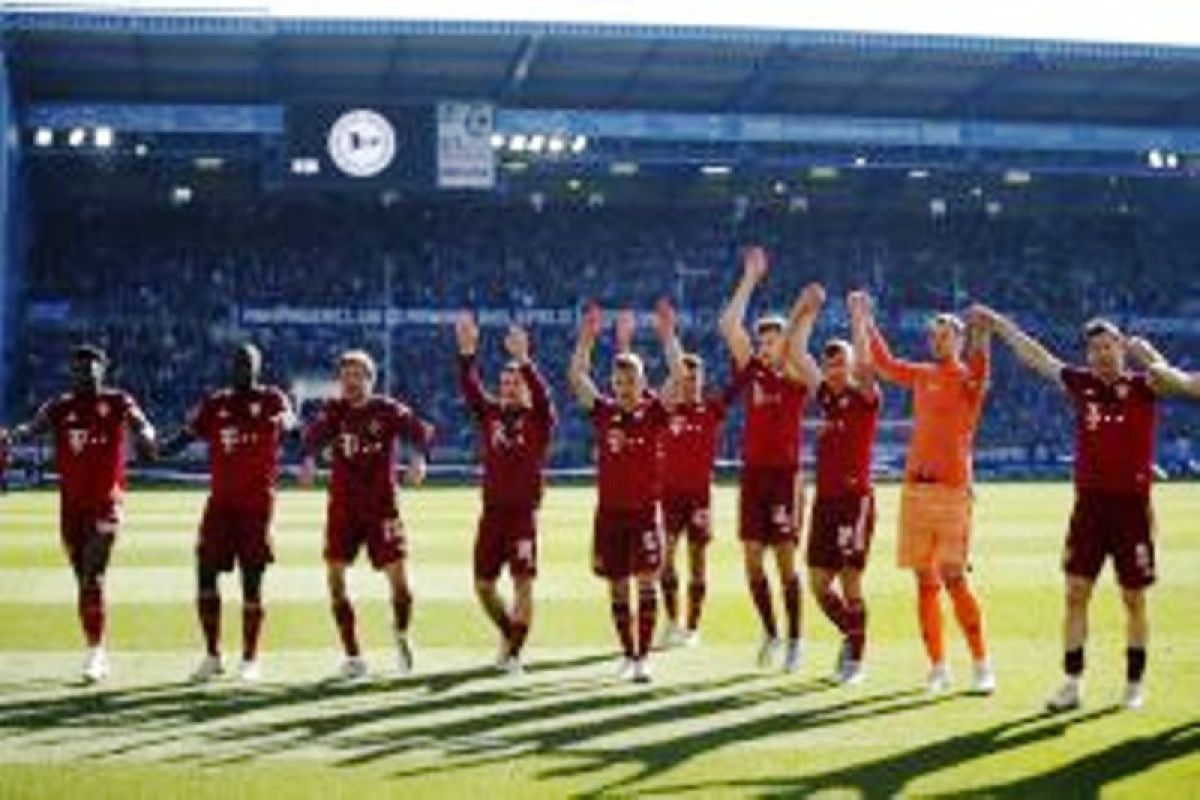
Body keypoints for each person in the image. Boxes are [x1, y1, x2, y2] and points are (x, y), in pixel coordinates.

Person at [976, 310, 1168, 711]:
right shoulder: (1081, 384)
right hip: (1090, 508)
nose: (1101, 355)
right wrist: (998, 324)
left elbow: (1176, 378)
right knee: (1075, 593)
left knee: (1133, 599)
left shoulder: (1145, 386)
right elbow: (1037, 356)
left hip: (1132, 509)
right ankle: (1072, 682)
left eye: (1109, 347)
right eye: (1094, 349)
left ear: (1121, 349)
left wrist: (1147, 353)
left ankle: (1133, 684)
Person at [859, 296, 996, 695]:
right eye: (934, 336)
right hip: (916, 489)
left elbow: (981, 359)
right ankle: (937, 667)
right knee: (924, 582)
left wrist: (982, 330)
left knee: (954, 578)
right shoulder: (922, 374)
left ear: (958, 339)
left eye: (946, 336)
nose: (938, 342)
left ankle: (982, 662)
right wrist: (866, 321)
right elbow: (884, 364)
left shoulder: (970, 378)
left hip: (953, 490)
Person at [5, 345, 156, 683]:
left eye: (91, 369)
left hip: (107, 503)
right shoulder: (59, 407)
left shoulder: (118, 402)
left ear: (103, 370)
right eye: (79, 370)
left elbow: (142, 423)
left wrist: (147, 436)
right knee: (85, 583)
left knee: (93, 575)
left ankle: (95, 655)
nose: (85, 375)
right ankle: (96, 645)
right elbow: (31, 429)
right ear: (70, 373)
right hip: (71, 509)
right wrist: (12, 436)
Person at [158, 344, 297, 683]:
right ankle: (212, 655)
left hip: (256, 506)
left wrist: (289, 423)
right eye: (237, 363)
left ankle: (250, 659)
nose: (242, 369)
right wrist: (157, 449)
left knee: (252, 582)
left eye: (248, 363)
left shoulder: (272, 399)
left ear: (258, 367)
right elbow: (186, 435)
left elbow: (291, 423)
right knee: (205, 573)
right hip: (219, 505)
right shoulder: (216, 403)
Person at [718, 245, 822, 673]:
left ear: (785, 341)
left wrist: (802, 315)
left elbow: (802, 349)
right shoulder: (755, 371)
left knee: (784, 561)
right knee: (751, 559)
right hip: (753, 476)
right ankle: (771, 633)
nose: (763, 345)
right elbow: (728, 325)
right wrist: (750, 278)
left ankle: (796, 640)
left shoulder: (798, 375)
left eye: (771, 338)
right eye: (760, 339)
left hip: (784, 477)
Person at [300, 350, 435, 680]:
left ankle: (401, 634)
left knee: (400, 585)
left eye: (358, 375)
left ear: (370, 381)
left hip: (381, 508)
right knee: (335, 579)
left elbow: (421, 432)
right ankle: (353, 655)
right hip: (343, 508)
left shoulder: (386, 410)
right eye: (346, 375)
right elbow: (310, 439)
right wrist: (307, 460)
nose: (351, 382)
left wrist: (419, 459)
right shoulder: (334, 412)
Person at [569, 303, 669, 683]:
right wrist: (587, 337)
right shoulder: (604, 412)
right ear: (614, 384)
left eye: (633, 382)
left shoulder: (654, 413)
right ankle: (627, 652)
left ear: (643, 384)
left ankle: (644, 657)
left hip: (644, 513)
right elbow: (577, 374)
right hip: (609, 515)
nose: (626, 388)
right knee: (616, 586)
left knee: (645, 581)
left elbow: (677, 374)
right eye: (621, 382)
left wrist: (666, 335)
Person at [456, 314, 556, 675]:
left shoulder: (540, 419)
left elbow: (544, 396)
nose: (509, 387)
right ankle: (508, 633)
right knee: (483, 586)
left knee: (522, 585)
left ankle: (513, 654)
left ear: (525, 386)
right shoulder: (491, 414)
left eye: (516, 382)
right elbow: (470, 388)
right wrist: (467, 352)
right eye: (505, 382)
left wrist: (525, 360)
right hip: (492, 513)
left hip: (522, 515)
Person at [807, 292, 882, 685]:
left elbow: (869, 367)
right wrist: (805, 312)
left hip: (855, 501)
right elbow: (796, 357)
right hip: (825, 502)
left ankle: (855, 660)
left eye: (842, 363)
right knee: (818, 585)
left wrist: (858, 318)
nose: (836, 369)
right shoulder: (824, 399)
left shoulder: (865, 398)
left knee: (851, 580)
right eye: (830, 363)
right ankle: (851, 634)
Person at [654, 299, 734, 649]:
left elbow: (738, 382)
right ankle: (672, 621)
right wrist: (669, 336)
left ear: (702, 380)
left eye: (694, 377)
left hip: (699, 496)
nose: (688, 382)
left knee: (698, 562)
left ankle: (693, 626)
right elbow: (664, 381)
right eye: (683, 377)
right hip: (669, 496)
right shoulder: (665, 409)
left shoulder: (711, 410)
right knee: (666, 559)